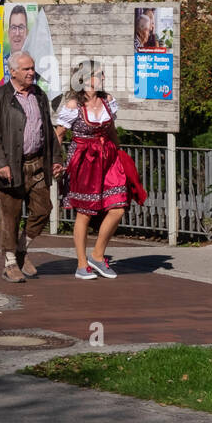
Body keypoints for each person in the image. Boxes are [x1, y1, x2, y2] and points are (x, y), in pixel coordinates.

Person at [55, 60, 147, 280]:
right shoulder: (73, 105)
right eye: (99, 74)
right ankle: (81, 263)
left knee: (118, 207)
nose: (103, 78)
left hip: (108, 158)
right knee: (84, 212)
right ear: (85, 79)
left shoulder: (107, 101)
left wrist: (119, 153)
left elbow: (112, 130)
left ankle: (97, 256)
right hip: (85, 160)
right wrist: (56, 161)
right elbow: (59, 135)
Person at [0, 50, 63, 283]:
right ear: (13, 71)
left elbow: (48, 130)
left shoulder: (39, 95)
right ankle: (10, 263)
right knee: (11, 215)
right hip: (11, 166)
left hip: (37, 163)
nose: (31, 72)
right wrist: (1, 163)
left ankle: (20, 249)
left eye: (32, 68)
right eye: (27, 69)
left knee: (43, 209)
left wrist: (56, 159)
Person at [3, 5, 29, 81]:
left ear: (27, 32)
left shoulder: (34, 63)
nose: (17, 33)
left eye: (21, 27)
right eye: (13, 28)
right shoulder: (0, 64)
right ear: (8, 33)